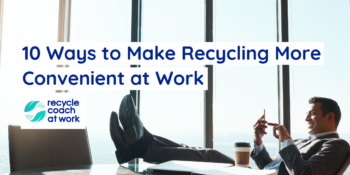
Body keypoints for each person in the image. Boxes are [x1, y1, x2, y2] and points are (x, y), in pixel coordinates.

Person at [110, 95, 350, 175]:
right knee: (203, 152)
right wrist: (258, 143)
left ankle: (140, 146)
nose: (306, 119)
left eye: (313, 114)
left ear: (330, 118)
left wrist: (287, 140)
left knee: (212, 156)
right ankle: (142, 143)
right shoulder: (304, 142)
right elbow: (269, 167)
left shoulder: (337, 146)